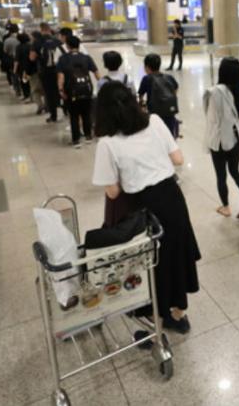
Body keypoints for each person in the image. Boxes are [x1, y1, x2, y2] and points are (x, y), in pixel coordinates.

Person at [92, 82, 201, 334]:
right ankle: (178, 314)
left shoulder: (107, 143)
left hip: (142, 207)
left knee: (153, 262)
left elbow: (113, 191)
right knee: (175, 254)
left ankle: (155, 322)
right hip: (172, 198)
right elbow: (178, 159)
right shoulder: (154, 121)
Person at [203, 57, 239, 218]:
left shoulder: (215, 92)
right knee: (235, 171)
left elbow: (211, 118)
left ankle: (226, 207)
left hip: (219, 141)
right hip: (236, 139)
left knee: (221, 176)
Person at [57, 35, 98, 148]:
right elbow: (96, 73)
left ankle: (76, 141)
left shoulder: (63, 59)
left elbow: (61, 77)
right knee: (86, 114)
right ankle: (88, 136)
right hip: (86, 90)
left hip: (71, 92)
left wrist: (61, 90)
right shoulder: (86, 58)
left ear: (67, 46)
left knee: (74, 116)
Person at [138, 53, 179, 137]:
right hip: (169, 112)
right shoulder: (169, 77)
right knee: (169, 135)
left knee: (157, 135)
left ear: (147, 67)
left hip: (155, 114)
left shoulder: (146, 79)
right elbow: (175, 89)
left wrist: (142, 105)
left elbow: (141, 96)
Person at [34, 23, 64, 122]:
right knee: (61, 90)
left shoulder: (37, 42)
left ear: (41, 29)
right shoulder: (57, 41)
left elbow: (32, 57)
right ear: (49, 29)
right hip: (58, 70)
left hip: (45, 71)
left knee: (49, 94)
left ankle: (53, 115)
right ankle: (65, 111)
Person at [26, 31, 46, 114]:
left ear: (34, 37)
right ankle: (47, 105)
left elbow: (32, 58)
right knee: (45, 89)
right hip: (47, 70)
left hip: (36, 70)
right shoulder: (45, 43)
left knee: (35, 90)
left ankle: (40, 105)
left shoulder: (34, 45)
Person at [14, 33, 33, 102]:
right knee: (32, 82)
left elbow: (17, 59)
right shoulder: (31, 45)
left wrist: (15, 69)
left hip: (22, 67)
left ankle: (27, 96)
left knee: (24, 82)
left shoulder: (18, 47)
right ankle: (33, 96)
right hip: (31, 66)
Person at [3, 25, 21, 93]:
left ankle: (17, 89)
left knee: (14, 73)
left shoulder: (7, 40)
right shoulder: (21, 37)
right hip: (21, 59)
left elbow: (5, 51)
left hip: (11, 58)